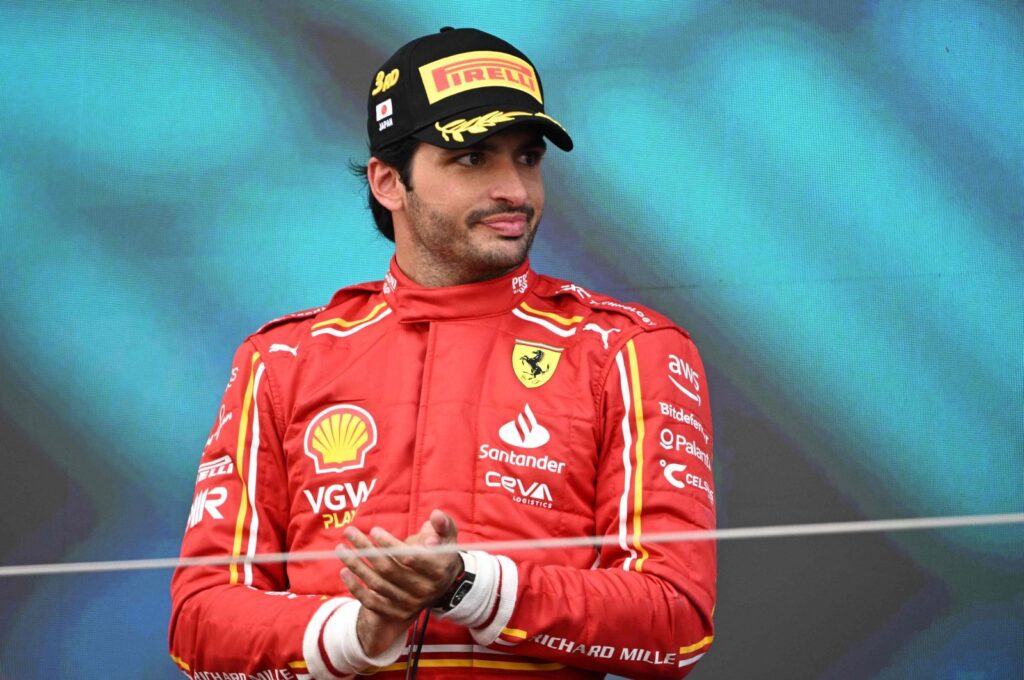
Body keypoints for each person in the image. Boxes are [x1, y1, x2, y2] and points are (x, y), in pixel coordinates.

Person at [169, 27, 716, 679]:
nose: (515, 189)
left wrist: (471, 587)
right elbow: (196, 626)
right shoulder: (282, 360)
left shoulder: (627, 350)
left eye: (528, 157)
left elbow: (677, 624)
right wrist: (357, 633)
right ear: (388, 182)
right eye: (473, 158)